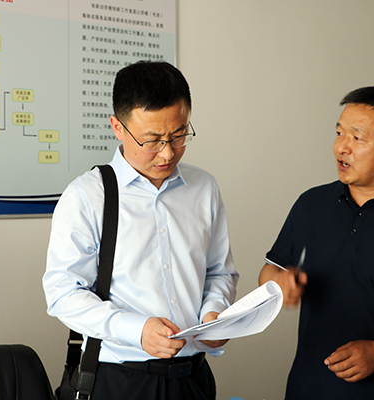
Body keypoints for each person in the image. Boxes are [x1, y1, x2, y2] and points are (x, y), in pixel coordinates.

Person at [43, 60, 239, 400]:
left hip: (193, 379)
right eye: (152, 140)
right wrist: (136, 329)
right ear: (117, 127)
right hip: (120, 381)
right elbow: (63, 294)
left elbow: (219, 271)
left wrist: (214, 313)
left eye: (179, 135)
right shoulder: (87, 196)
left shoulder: (204, 188)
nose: (167, 153)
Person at [259, 85, 374, 399]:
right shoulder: (311, 204)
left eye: (357, 138)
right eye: (339, 134)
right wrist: (279, 284)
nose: (341, 148)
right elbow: (271, 271)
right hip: (307, 388)